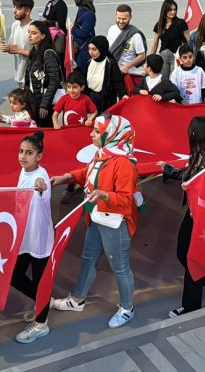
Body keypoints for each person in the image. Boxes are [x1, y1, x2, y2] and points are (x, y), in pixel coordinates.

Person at [51, 115, 141, 329]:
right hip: (97, 216)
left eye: (97, 131)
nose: (91, 134)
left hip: (114, 223)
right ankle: (77, 299)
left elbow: (126, 200)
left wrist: (104, 195)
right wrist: (67, 177)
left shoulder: (124, 163)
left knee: (120, 267)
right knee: (87, 259)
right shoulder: (104, 153)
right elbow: (89, 173)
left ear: (111, 134)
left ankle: (128, 308)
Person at [158, 116, 205, 316]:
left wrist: (195, 193)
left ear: (197, 134)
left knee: (193, 261)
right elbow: (188, 175)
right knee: (182, 253)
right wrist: (168, 170)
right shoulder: (198, 155)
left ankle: (190, 306)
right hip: (194, 214)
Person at [8, 131, 54, 343]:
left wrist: (41, 187)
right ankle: (42, 302)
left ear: (39, 156)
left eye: (29, 153)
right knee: (15, 276)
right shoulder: (22, 171)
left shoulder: (40, 176)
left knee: (39, 281)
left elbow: (41, 187)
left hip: (39, 241)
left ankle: (41, 324)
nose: (22, 156)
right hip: (24, 239)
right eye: (20, 151)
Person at [24, 21, 62, 127]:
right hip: (34, 102)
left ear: (43, 36)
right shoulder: (34, 52)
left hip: (45, 105)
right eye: (29, 32)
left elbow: (54, 81)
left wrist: (45, 104)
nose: (30, 35)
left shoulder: (48, 53)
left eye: (34, 33)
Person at [107, 4, 147, 94]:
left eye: (124, 19)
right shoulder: (111, 30)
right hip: (113, 72)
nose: (121, 21)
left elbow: (142, 56)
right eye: (119, 18)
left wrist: (127, 66)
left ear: (130, 17)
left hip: (128, 74)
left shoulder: (135, 35)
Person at [82, 35, 127, 113]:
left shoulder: (111, 64)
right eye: (89, 49)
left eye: (94, 49)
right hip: (91, 98)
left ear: (102, 49)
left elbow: (118, 82)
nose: (91, 52)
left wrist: (123, 94)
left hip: (105, 100)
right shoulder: (89, 62)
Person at [0, 0, 34, 87]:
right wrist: (7, 48)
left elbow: (40, 53)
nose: (14, 11)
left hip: (31, 76)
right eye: (14, 7)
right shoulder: (15, 25)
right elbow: (13, 48)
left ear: (27, 11)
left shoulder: (34, 28)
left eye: (18, 8)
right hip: (18, 74)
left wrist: (19, 50)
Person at [152, 0, 189, 79]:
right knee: (163, 79)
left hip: (176, 57)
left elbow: (189, 41)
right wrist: (151, 60)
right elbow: (155, 44)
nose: (173, 12)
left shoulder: (181, 23)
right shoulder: (159, 24)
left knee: (174, 79)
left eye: (174, 10)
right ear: (164, 10)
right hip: (163, 57)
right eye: (170, 10)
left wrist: (189, 57)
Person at [71, 0, 97, 71]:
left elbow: (84, 33)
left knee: (82, 69)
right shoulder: (82, 11)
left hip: (85, 48)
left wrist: (72, 29)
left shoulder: (88, 14)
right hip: (81, 47)